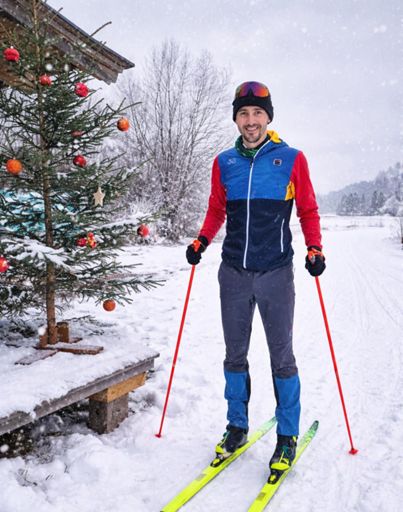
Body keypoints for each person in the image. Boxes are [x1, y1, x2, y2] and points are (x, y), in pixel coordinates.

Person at [186, 81, 325, 477]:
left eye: (257, 113)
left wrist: (315, 248)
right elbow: (217, 209)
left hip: (275, 273)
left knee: (282, 357)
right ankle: (236, 427)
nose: (251, 121)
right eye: (244, 114)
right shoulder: (224, 162)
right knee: (234, 355)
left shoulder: (291, 159)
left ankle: (287, 435)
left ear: (268, 117)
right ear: (237, 119)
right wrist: (201, 240)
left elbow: (308, 210)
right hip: (233, 273)